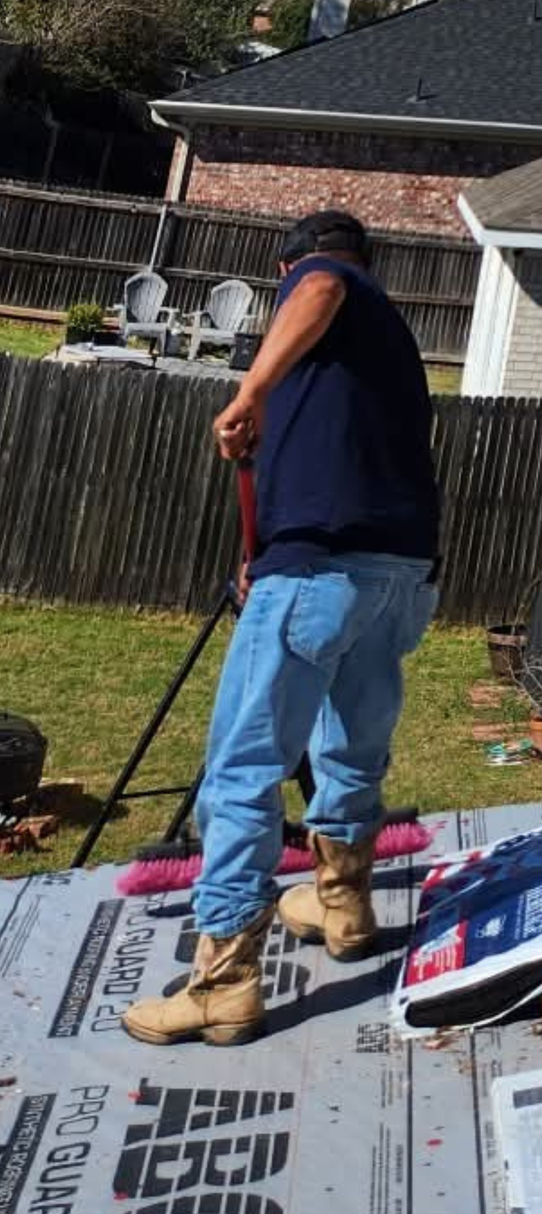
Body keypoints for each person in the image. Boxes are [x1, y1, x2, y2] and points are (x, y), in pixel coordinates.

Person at [125, 210, 442, 1047]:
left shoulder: (324, 282)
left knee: (242, 768)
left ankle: (223, 981)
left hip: (320, 572)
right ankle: (342, 904)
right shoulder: (382, 346)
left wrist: (250, 390)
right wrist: (259, 551)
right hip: (397, 574)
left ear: (282, 269)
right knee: (349, 744)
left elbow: (323, 284)